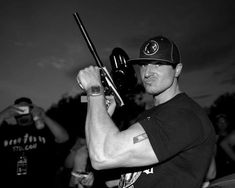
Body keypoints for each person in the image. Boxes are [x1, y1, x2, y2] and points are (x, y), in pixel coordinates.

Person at [77, 35, 216, 188]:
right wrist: (104, 112)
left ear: (177, 69)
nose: (147, 73)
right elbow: (128, 172)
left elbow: (103, 156)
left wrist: (94, 89)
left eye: (158, 64)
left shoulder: (183, 116)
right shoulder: (147, 116)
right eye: (143, 64)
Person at [0, 97, 69, 188]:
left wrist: (43, 116)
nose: (23, 111)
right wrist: (3, 115)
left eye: (26, 108)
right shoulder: (7, 130)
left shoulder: (43, 129)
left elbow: (63, 138)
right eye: (19, 109)